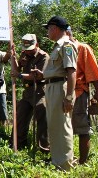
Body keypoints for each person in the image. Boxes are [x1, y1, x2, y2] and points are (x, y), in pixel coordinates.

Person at [32, 16, 77, 171]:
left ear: (56, 28)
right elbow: (56, 70)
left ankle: (65, 165)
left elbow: (71, 72)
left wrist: (69, 97)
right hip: (51, 86)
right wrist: (43, 75)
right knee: (54, 126)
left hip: (60, 88)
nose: (47, 32)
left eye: (49, 28)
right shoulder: (57, 46)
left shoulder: (67, 45)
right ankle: (57, 161)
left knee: (62, 126)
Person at [66, 26, 98, 164]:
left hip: (79, 93)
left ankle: (82, 161)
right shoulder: (64, 48)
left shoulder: (83, 48)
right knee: (65, 128)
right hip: (64, 93)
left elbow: (94, 73)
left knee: (82, 128)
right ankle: (68, 158)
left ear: (67, 33)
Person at [10, 34, 49, 150]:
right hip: (27, 92)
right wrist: (14, 57)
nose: (27, 52)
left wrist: (19, 75)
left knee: (42, 116)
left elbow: (38, 76)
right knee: (20, 116)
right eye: (26, 50)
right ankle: (17, 145)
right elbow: (16, 70)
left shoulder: (43, 57)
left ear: (36, 45)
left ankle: (44, 147)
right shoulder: (24, 54)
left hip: (40, 91)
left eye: (30, 50)